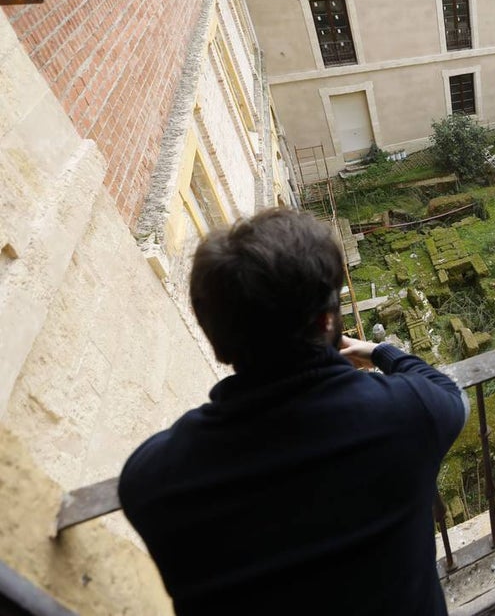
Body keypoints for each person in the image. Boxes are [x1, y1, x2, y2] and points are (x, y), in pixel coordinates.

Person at [118, 208, 468, 615]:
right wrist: (379, 351)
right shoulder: (407, 413)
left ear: (219, 344)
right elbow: (451, 394)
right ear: (327, 320)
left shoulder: (152, 482)